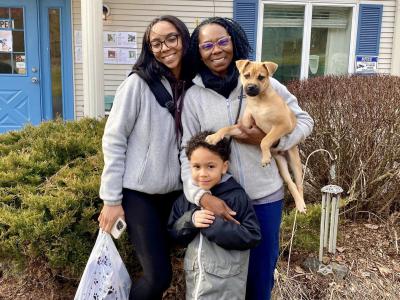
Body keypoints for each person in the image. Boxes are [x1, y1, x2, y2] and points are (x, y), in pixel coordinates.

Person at [180, 17, 314, 300]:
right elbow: (186, 154)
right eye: (206, 45)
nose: (216, 50)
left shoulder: (267, 82)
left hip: (265, 197)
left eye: (222, 41)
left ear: (235, 43)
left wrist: (277, 142)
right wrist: (201, 197)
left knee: (260, 279)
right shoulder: (193, 97)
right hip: (222, 202)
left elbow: (303, 121)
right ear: (198, 51)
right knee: (222, 283)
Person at [98, 15, 192, 300]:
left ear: (184, 39)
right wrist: (111, 200)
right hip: (140, 196)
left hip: (176, 195)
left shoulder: (190, 85)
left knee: (173, 270)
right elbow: (114, 140)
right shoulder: (137, 85)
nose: (165, 48)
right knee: (157, 277)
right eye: (156, 43)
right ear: (149, 49)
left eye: (171, 38)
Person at [168, 131, 261, 299]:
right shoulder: (187, 199)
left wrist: (213, 225)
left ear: (224, 167)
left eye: (210, 166)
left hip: (228, 287)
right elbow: (173, 233)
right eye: (197, 167)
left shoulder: (236, 196)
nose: (203, 173)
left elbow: (251, 235)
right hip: (196, 284)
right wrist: (191, 220)